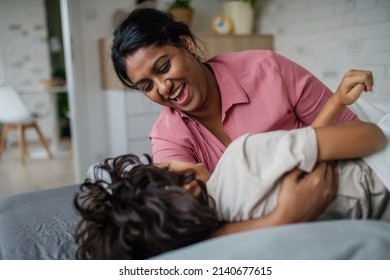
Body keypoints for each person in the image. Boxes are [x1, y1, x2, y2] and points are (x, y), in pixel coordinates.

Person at [74, 85, 389, 260]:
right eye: (162, 166)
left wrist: (333, 105)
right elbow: (372, 137)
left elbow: (294, 152)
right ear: (181, 187)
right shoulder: (242, 156)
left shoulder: (218, 233)